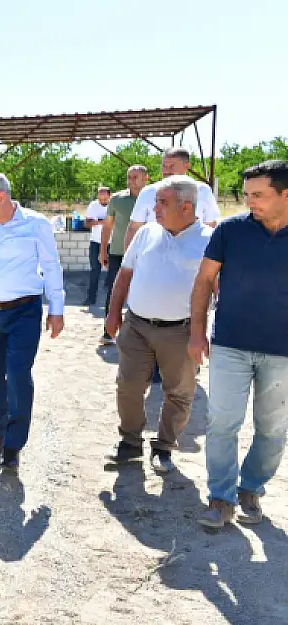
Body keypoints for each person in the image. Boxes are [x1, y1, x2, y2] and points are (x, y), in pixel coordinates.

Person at [191, 160, 288, 529]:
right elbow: (203, 282)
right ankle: (220, 497)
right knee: (222, 423)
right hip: (230, 343)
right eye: (247, 195)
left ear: (285, 194)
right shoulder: (231, 231)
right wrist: (197, 331)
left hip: (283, 350)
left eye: (259, 195)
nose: (251, 202)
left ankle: (251, 489)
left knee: (272, 430)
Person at [103, 176, 212, 474]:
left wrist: (204, 334)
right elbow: (124, 274)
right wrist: (113, 314)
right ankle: (129, 442)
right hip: (136, 325)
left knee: (178, 392)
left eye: (163, 203)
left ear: (187, 206)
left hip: (182, 331)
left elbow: (218, 288)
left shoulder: (209, 240)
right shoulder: (147, 233)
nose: (155, 208)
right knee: (128, 385)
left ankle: (163, 447)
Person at [0, 173, 65, 471]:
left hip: (24, 312)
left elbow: (51, 266)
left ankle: (14, 443)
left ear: (1, 197)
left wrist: (56, 309)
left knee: (18, 374)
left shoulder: (36, 224)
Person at [124, 147, 220, 250]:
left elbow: (210, 225)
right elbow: (134, 228)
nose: (167, 171)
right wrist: (129, 261)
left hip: (192, 259)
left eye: (172, 166)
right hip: (154, 257)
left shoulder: (202, 191)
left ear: (186, 166)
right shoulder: (148, 192)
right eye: (164, 166)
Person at [98, 165, 149, 345]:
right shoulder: (117, 199)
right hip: (119, 253)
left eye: (135, 177)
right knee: (113, 291)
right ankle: (108, 332)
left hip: (147, 255)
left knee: (145, 292)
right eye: (129, 177)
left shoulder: (154, 197)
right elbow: (107, 226)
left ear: (146, 178)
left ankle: (142, 335)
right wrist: (103, 250)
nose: (131, 180)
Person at [82, 186, 111, 305]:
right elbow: (87, 223)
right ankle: (91, 298)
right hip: (96, 242)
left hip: (112, 243)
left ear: (110, 196)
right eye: (100, 199)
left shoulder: (115, 204)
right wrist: (102, 222)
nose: (103, 201)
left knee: (113, 271)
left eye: (105, 199)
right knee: (95, 270)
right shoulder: (93, 205)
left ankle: (113, 300)